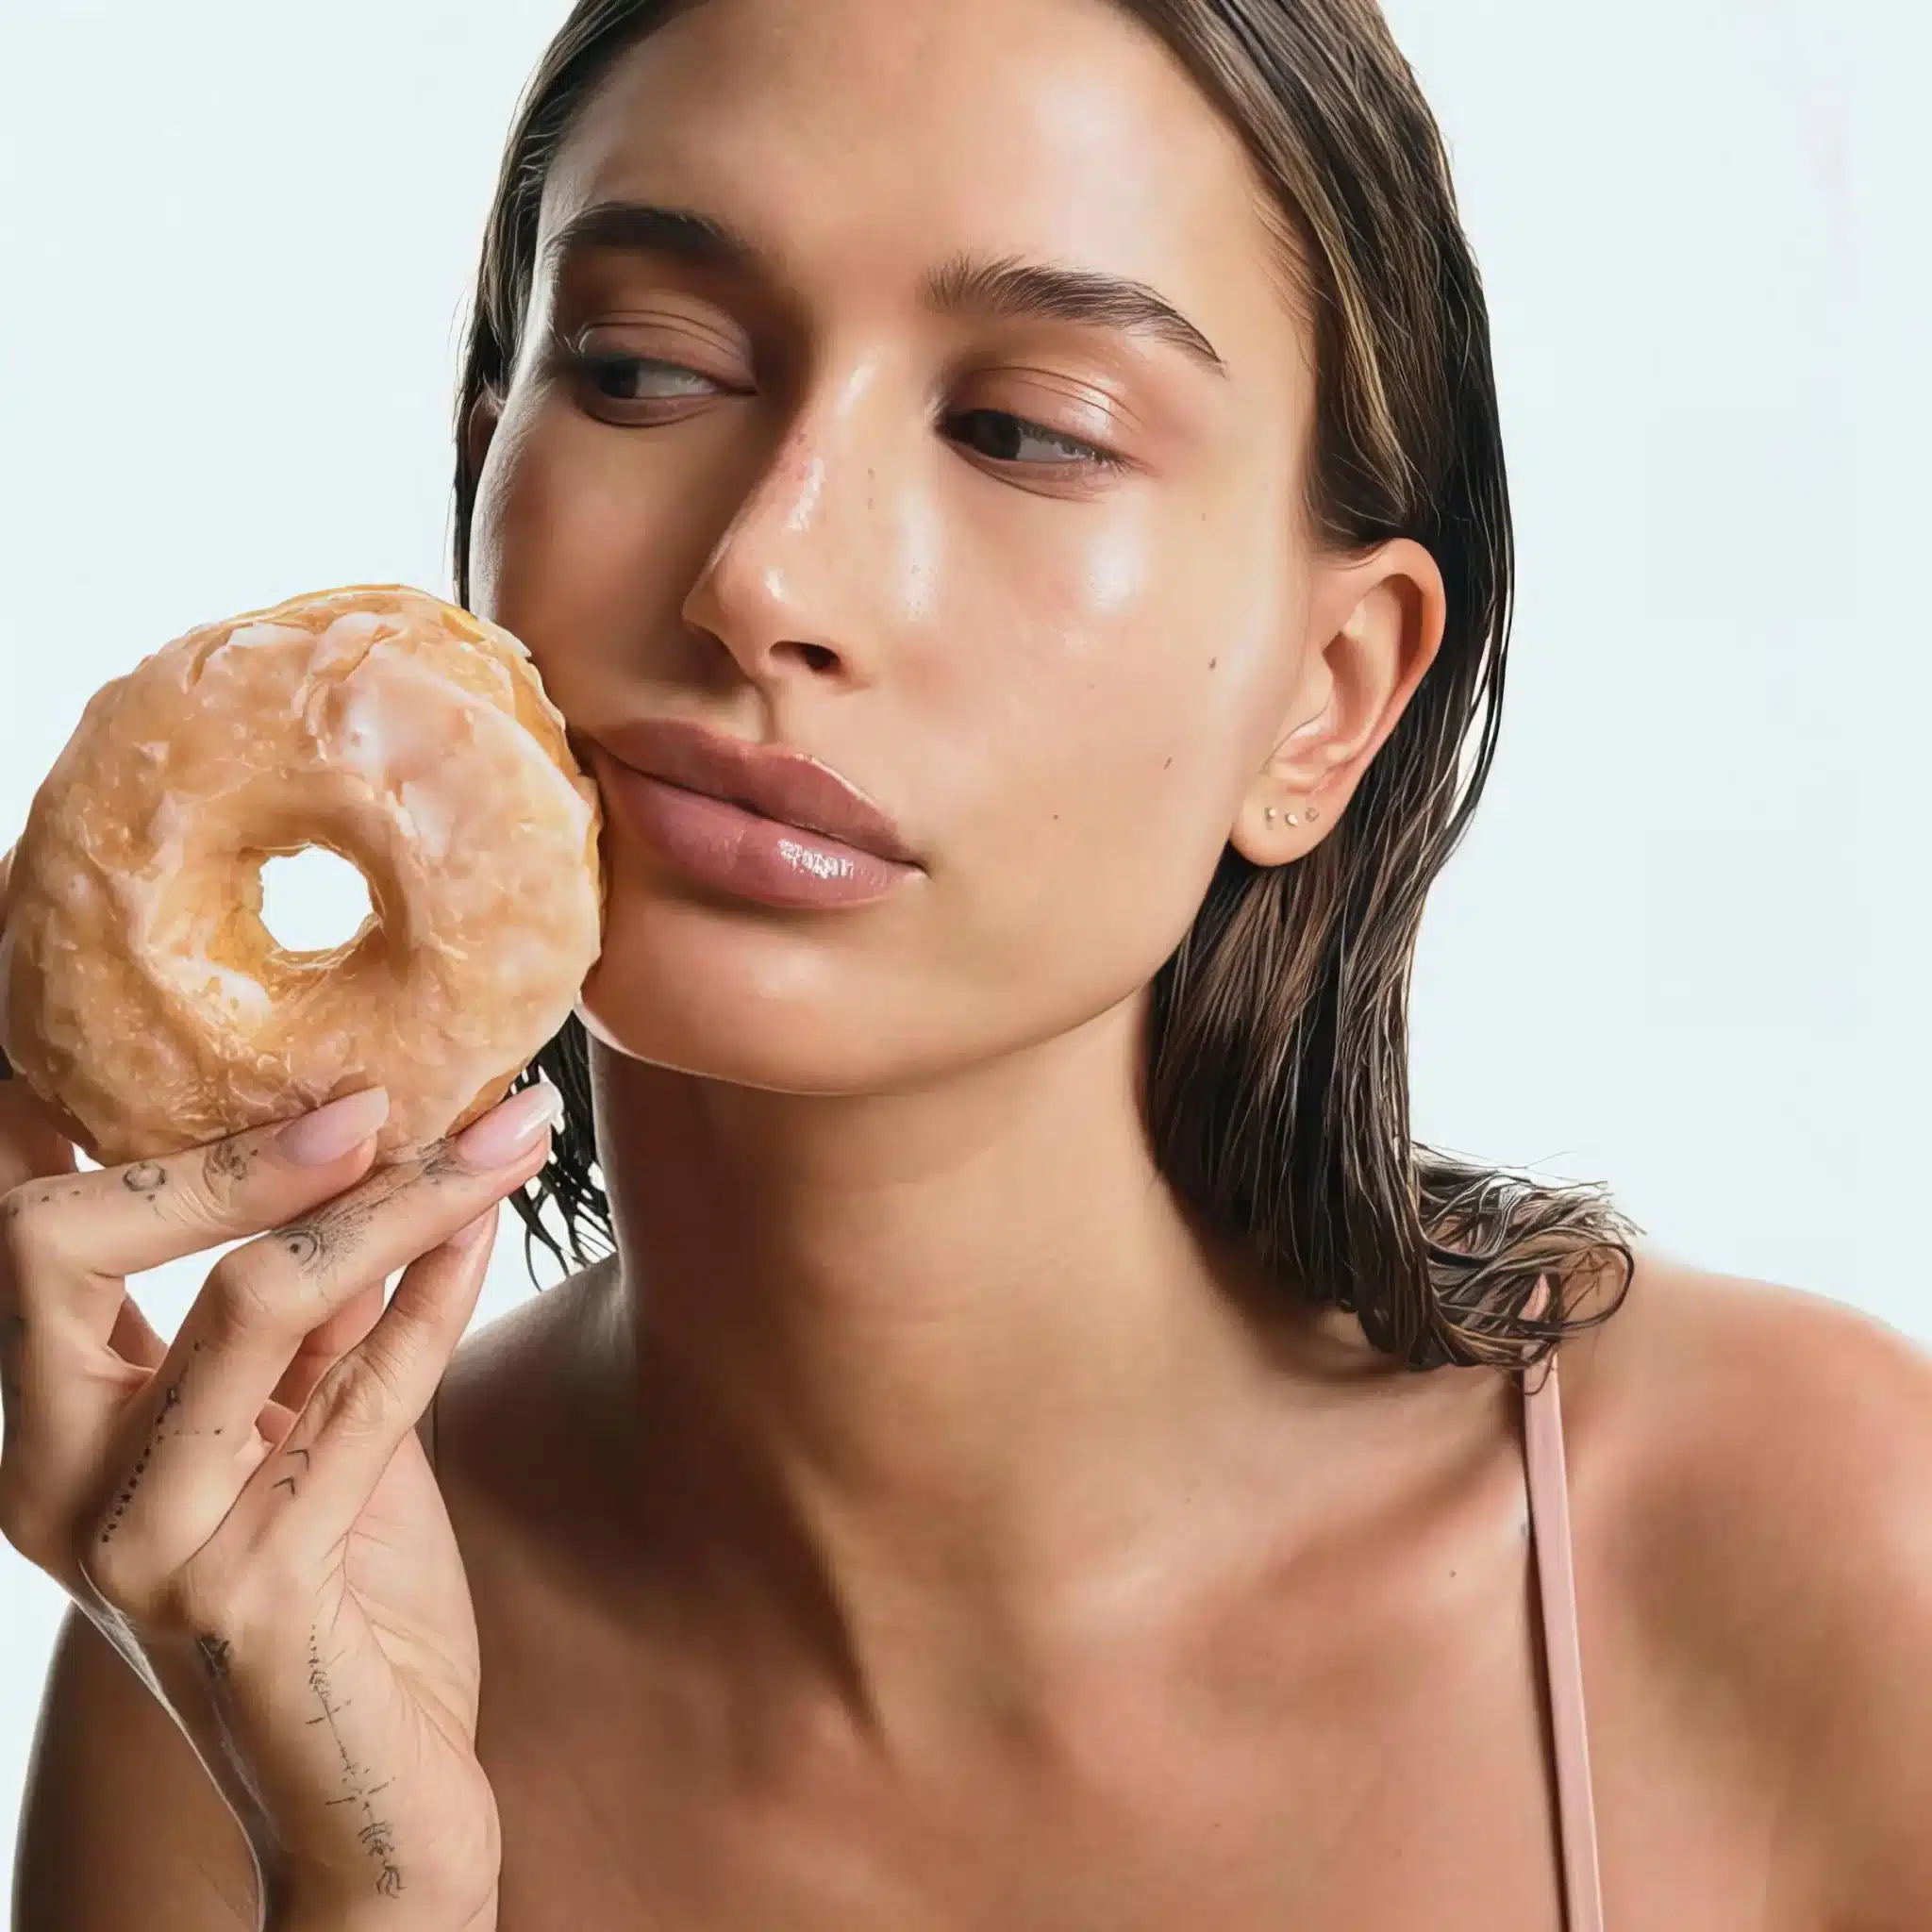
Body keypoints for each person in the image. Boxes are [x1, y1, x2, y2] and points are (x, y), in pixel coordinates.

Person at [4, 1, 1929, 1926]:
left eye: (1026, 431)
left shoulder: (1818, 1549)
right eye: (647, 368)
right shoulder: (230, 1637)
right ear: (488, 457)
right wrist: (368, 1885)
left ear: (1325, 702)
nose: (764, 572)